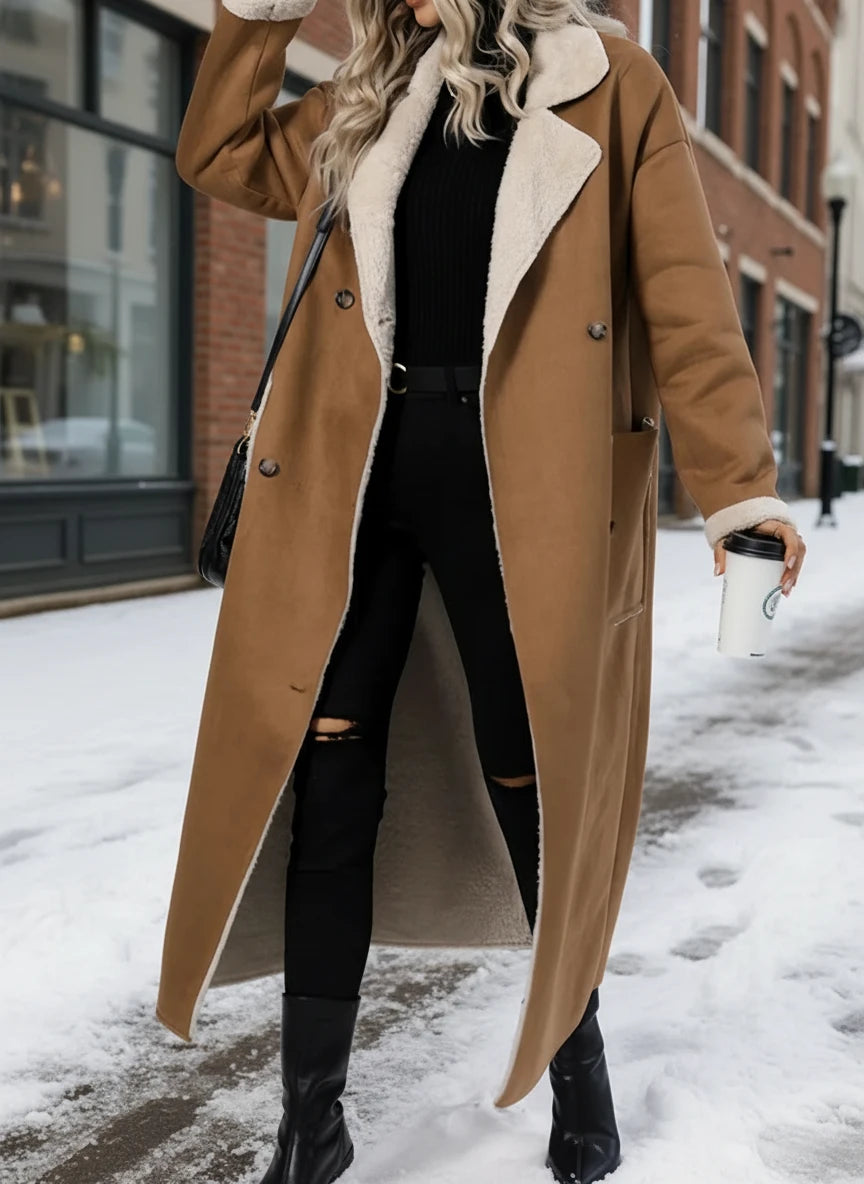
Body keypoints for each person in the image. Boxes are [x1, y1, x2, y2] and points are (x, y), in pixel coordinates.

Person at [156, 1, 807, 1182]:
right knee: (329, 773)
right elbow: (220, 153)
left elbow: (687, 301)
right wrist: (257, 20)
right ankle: (311, 1120)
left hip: (526, 484)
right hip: (354, 475)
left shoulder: (612, 84)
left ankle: (576, 1060)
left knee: (530, 771)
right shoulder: (369, 92)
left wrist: (738, 489)